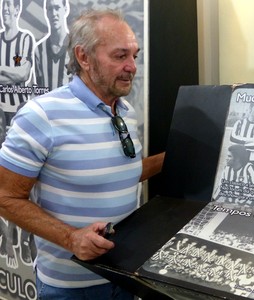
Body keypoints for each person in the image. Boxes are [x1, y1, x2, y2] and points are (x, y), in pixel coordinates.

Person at [0, 9, 164, 299]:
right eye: (119, 56)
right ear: (84, 57)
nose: (131, 67)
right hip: (71, 288)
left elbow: (122, 174)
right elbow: (6, 197)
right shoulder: (42, 116)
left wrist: (186, 155)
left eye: (134, 56)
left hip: (127, 277)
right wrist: (71, 238)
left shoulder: (126, 112)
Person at [0, 0, 34, 126]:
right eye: (3, 5)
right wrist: (13, 74)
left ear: (17, 9)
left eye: (8, 4)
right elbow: (18, 74)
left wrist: (1, 69)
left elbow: (23, 74)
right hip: (0, 111)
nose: (5, 9)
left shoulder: (25, 38)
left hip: (19, 109)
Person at [34, 0, 71, 91]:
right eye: (50, 9)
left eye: (57, 8)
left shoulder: (76, 48)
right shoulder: (39, 50)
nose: (54, 13)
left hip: (69, 104)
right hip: (46, 104)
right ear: (46, 12)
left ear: (65, 9)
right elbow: (39, 87)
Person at [230, 102, 254, 173]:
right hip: (238, 159)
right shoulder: (240, 123)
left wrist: (239, 143)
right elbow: (232, 139)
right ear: (251, 108)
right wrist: (251, 140)